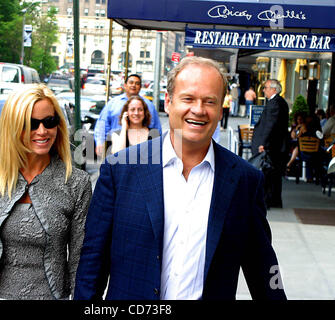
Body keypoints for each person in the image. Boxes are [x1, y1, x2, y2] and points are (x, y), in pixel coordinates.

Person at [74, 56, 286, 300]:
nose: (198, 109)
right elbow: (92, 263)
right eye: (188, 98)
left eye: (210, 101)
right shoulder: (120, 170)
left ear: (220, 110)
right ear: (168, 101)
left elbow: (264, 268)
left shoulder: (245, 181)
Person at [0, 84, 92, 300]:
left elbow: (79, 259)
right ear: (14, 126)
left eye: (49, 122)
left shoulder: (76, 183)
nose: (42, 131)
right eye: (31, 123)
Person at [94, 74, 162, 157]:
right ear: (125, 85)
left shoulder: (149, 105)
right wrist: (99, 142)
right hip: (116, 145)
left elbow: (156, 127)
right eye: (131, 82)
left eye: (137, 83)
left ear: (140, 87)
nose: (134, 85)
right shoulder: (113, 103)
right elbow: (103, 123)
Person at [251, 79, 290, 209]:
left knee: (268, 173)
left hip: (273, 146)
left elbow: (270, 125)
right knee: (275, 174)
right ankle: (274, 200)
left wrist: (263, 143)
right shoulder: (279, 102)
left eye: (266, 87)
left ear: (273, 89)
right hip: (277, 146)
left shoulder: (274, 103)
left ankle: (268, 200)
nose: (264, 90)